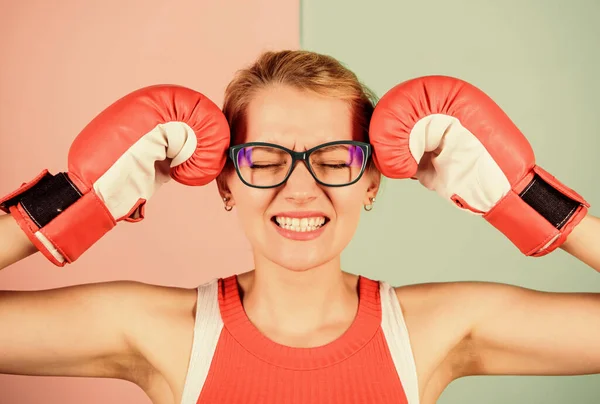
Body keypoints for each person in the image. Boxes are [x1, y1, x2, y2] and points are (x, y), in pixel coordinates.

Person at [0, 50, 598, 404]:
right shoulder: (159, 331)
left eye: (336, 159)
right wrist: (72, 200)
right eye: (264, 159)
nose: (301, 187)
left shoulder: (435, 330)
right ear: (225, 183)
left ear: (372, 182)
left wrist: (525, 199)